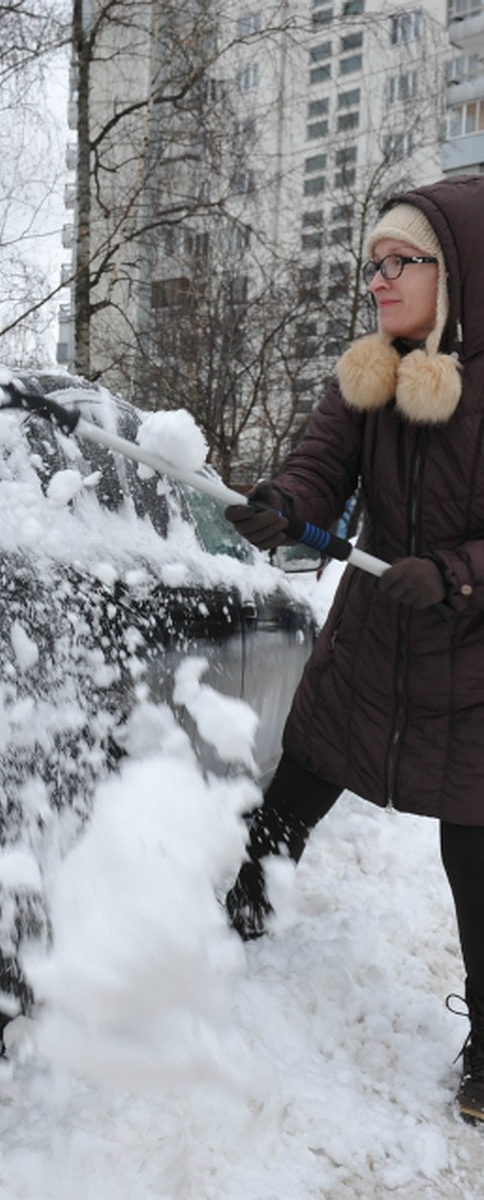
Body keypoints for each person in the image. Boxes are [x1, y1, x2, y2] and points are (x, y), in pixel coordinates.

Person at [222, 174, 484, 1126]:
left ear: (452, 271)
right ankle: (231, 928)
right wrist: (284, 506)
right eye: (371, 265)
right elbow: (320, 466)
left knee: (478, 857)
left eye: (398, 263)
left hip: (474, 663)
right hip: (373, 639)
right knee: (295, 788)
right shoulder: (369, 374)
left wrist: (454, 574)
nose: (378, 281)